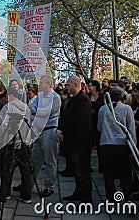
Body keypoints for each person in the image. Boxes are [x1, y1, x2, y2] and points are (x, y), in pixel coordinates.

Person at [0, 86, 33, 203]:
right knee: (25, 170)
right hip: (24, 142)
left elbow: (2, 125)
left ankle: (5, 193)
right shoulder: (25, 107)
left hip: (11, 143)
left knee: (7, 169)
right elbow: (29, 122)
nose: (5, 99)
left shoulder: (7, 107)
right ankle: (26, 195)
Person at [58, 75, 93, 203]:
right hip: (74, 140)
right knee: (77, 170)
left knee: (82, 170)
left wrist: (64, 131)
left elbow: (78, 121)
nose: (66, 87)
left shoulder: (83, 100)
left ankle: (86, 198)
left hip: (81, 141)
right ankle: (79, 192)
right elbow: (67, 117)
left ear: (76, 85)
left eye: (68, 85)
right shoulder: (74, 99)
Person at [97, 86, 136, 202]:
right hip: (121, 145)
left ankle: (111, 196)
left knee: (108, 174)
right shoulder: (127, 109)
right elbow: (131, 128)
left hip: (106, 144)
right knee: (125, 173)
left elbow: (99, 128)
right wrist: (133, 146)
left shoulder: (103, 109)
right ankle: (128, 196)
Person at [30, 74, 61, 198]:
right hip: (38, 130)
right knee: (34, 159)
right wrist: (38, 111)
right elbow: (32, 108)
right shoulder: (39, 97)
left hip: (49, 130)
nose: (40, 85)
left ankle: (49, 186)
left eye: (42, 83)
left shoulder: (55, 97)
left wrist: (38, 112)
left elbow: (48, 113)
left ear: (48, 84)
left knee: (50, 160)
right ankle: (29, 183)